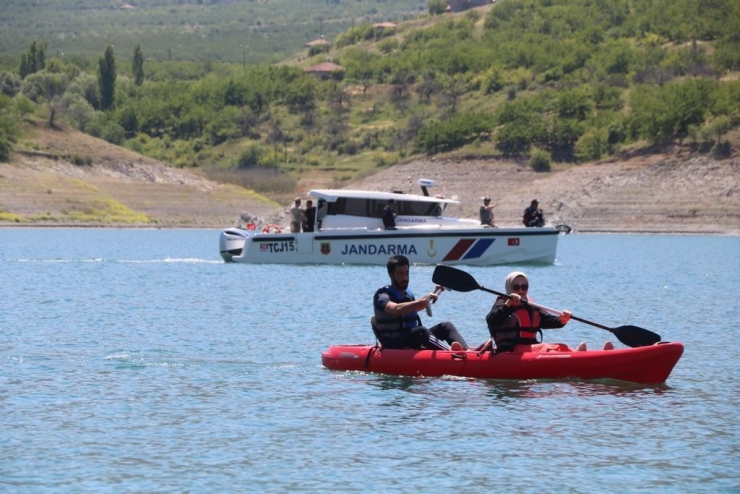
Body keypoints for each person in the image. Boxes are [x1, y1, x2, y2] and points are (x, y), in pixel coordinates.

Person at [486, 271, 613, 352]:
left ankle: (581, 354)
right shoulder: (503, 302)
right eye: (516, 287)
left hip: (531, 347)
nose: (521, 290)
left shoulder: (529, 304)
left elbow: (546, 320)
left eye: (524, 287)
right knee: (546, 348)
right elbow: (492, 319)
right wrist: (509, 304)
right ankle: (580, 359)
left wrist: (562, 320)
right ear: (509, 288)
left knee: (561, 346)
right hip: (511, 350)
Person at [373, 255, 469, 351]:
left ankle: (467, 351)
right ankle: (451, 354)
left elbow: (416, 307)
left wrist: (433, 293)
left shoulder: (407, 294)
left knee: (446, 327)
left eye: (407, 273)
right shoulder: (382, 295)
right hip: (394, 342)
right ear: (391, 274)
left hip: (412, 338)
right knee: (421, 331)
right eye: (400, 274)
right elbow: (396, 309)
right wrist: (421, 301)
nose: (405, 278)